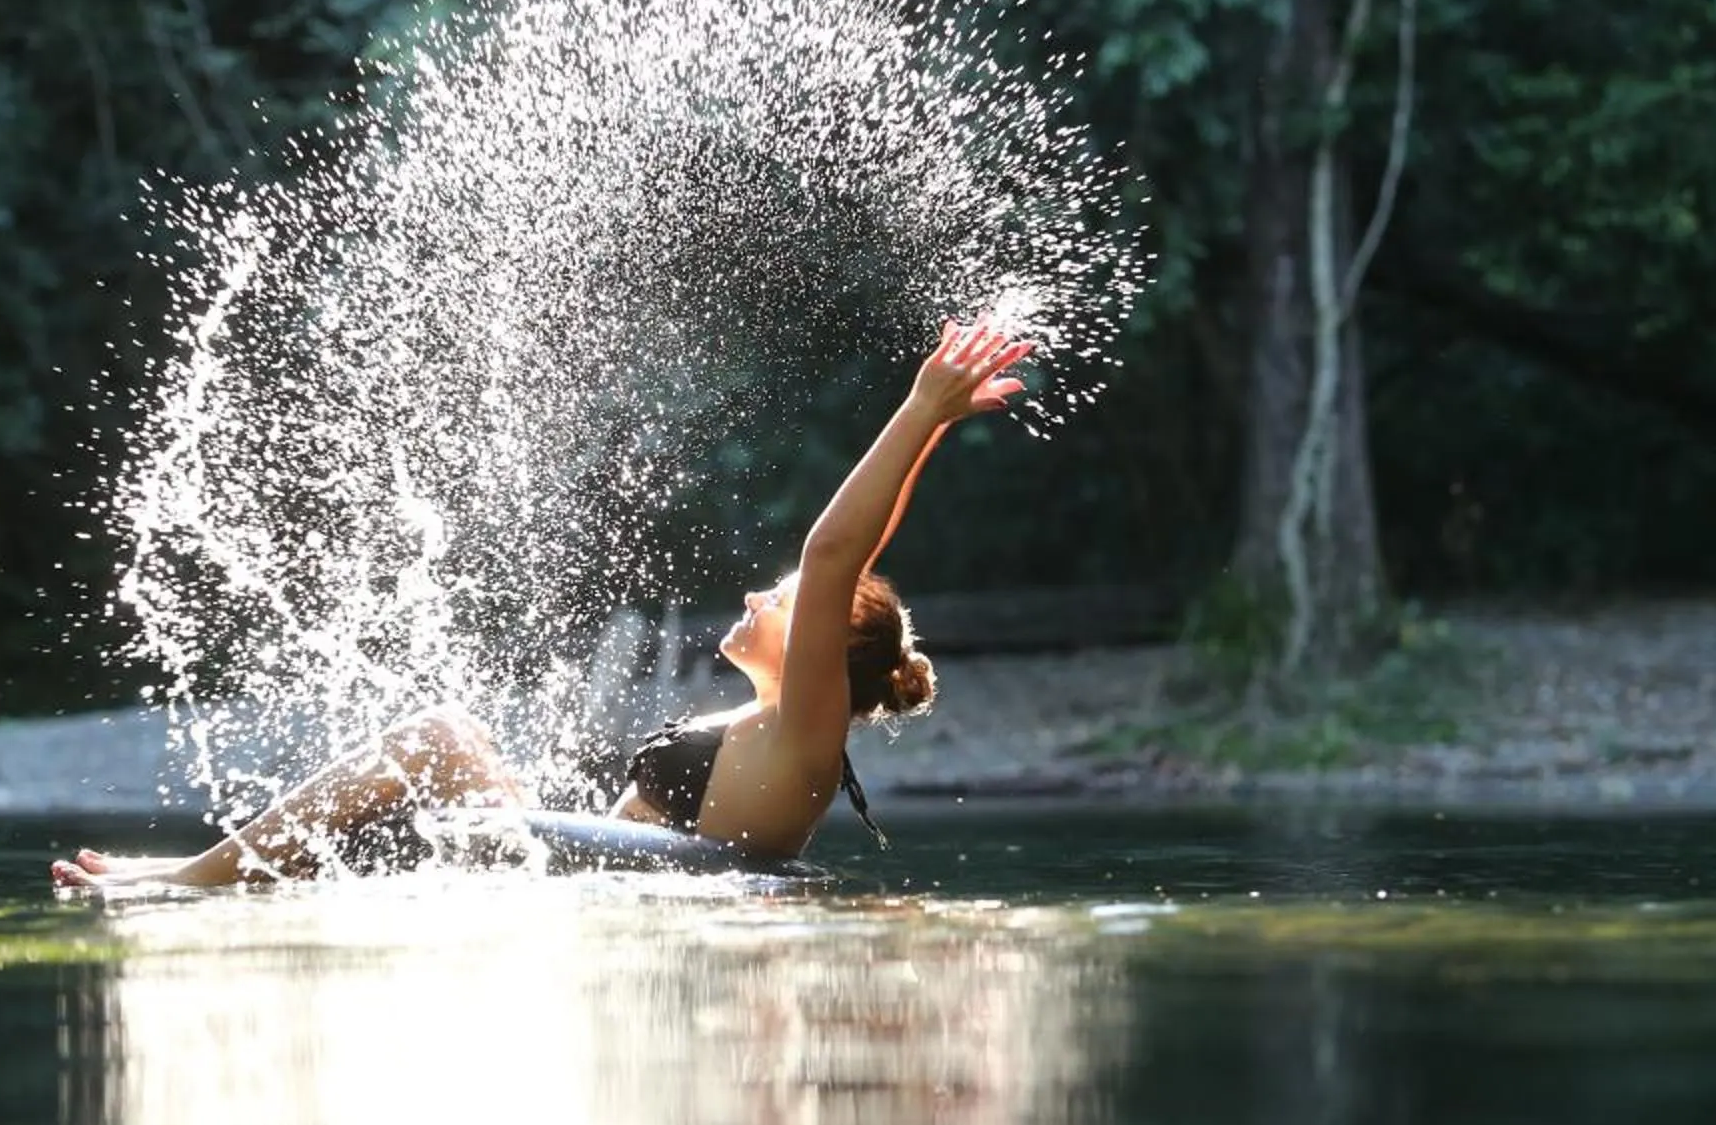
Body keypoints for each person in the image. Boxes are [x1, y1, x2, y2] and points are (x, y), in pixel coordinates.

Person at [53, 318, 1033, 889]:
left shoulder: (803, 727)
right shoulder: (780, 716)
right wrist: (930, 427)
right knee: (447, 752)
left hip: (665, 881)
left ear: (820, 645)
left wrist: (920, 413)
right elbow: (842, 570)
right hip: (611, 868)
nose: (755, 595)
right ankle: (223, 881)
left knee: (440, 736)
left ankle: (190, 884)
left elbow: (834, 557)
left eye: (776, 601)